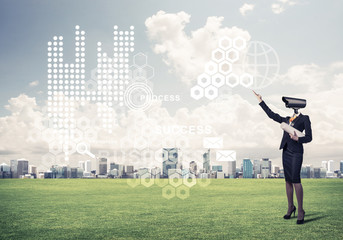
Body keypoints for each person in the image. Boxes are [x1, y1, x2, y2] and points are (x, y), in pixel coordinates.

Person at [253, 91, 312, 224]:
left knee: (296, 180)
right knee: (288, 181)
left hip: (296, 152)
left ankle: (301, 210)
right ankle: (291, 207)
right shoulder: (286, 119)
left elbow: (309, 137)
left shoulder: (305, 119)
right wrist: (261, 101)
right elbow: (271, 115)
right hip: (286, 151)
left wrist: (297, 138)